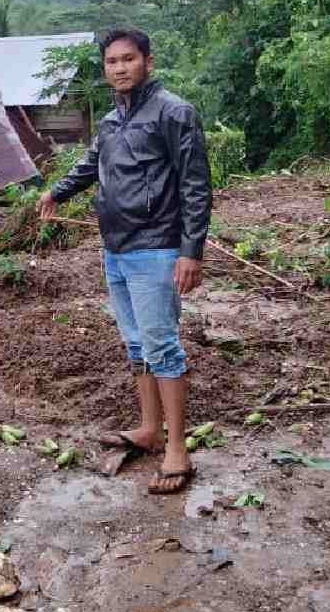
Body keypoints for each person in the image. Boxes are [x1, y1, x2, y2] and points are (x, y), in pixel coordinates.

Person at [37, 27, 212, 495]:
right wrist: (56, 191)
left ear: (148, 62)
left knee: (163, 346)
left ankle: (178, 448)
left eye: (128, 59)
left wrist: (190, 250)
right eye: (112, 61)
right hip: (115, 247)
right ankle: (150, 429)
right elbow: (92, 164)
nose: (120, 68)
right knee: (136, 345)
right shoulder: (113, 120)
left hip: (156, 248)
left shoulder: (174, 112)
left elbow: (196, 185)